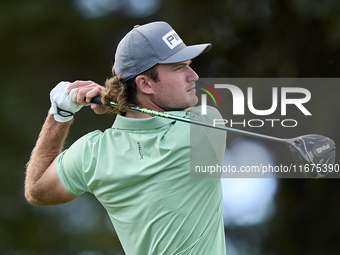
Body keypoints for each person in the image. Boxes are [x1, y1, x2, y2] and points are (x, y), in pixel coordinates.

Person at [25, 21, 227, 254]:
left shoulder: (93, 154)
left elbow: (36, 189)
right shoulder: (204, 127)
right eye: (179, 68)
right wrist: (115, 105)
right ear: (145, 83)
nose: (193, 75)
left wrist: (59, 115)